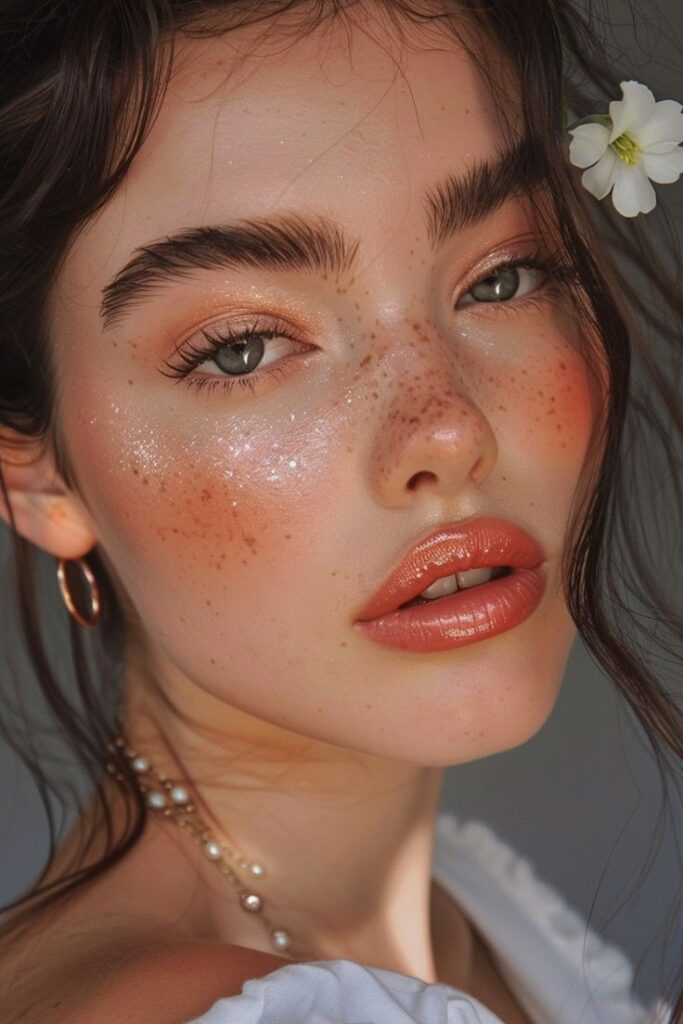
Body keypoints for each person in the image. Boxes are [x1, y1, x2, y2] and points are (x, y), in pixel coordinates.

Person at [0, 2, 681, 1022]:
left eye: (502, 276)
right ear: (38, 476)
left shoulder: (474, 917)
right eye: (242, 348)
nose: (446, 429)